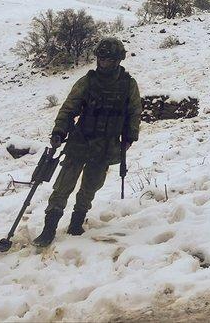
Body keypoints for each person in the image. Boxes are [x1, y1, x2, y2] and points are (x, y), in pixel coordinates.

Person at [33, 37, 142, 247]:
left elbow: (134, 112)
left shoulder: (128, 84)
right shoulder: (88, 81)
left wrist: (130, 136)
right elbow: (69, 108)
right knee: (63, 186)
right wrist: (59, 130)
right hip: (80, 141)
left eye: (108, 59)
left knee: (91, 187)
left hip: (107, 144)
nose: (103, 63)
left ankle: (76, 222)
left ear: (118, 60)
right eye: (100, 58)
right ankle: (49, 228)